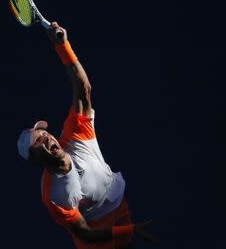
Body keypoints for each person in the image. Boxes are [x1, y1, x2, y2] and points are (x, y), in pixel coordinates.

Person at [17, 22, 157, 249]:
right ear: (35, 159)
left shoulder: (74, 135)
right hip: (94, 232)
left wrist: (63, 47)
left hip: (118, 203)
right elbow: (84, 233)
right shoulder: (53, 195)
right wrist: (131, 229)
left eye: (45, 133)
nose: (47, 138)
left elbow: (83, 91)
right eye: (38, 140)